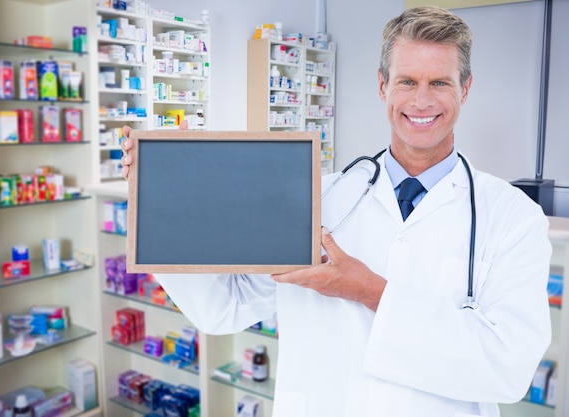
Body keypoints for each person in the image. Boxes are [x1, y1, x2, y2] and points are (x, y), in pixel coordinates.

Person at [120, 6, 552, 417]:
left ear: (466, 88)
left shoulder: (512, 218)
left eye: (439, 82)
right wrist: (159, 196)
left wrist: (369, 291)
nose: (421, 101)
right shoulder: (316, 199)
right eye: (406, 81)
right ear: (383, 85)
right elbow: (225, 307)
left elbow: (509, 367)